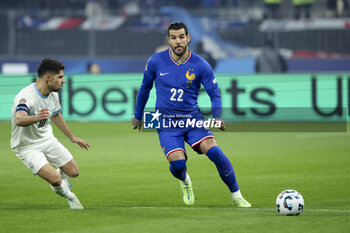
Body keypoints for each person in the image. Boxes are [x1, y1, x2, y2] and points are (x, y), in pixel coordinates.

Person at [131, 22, 251, 207]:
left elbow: (214, 94)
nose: (178, 41)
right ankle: (185, 180)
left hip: (192, 119)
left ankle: (237, 196)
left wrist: (217, 116)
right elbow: (145, 88)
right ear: (168, 40)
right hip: (166, 122)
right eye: (174, 37)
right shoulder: (156, 61)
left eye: (181, 37)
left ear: (188, 38)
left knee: (216, 152)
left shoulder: (201, 65)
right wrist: (138, 115)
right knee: (178, 166)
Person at [10, 58, 90, 209]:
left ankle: (59, 173)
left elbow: (56, 115)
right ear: (48, 78)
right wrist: (36, 117)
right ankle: (71, 198)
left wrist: (72, 137)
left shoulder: (52, 93)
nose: (63, 81)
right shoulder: (26, 97)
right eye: (60, 77)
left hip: (47, 140)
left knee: (73, 172)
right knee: (55, 180)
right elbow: (19, 119)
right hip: (26, 147)